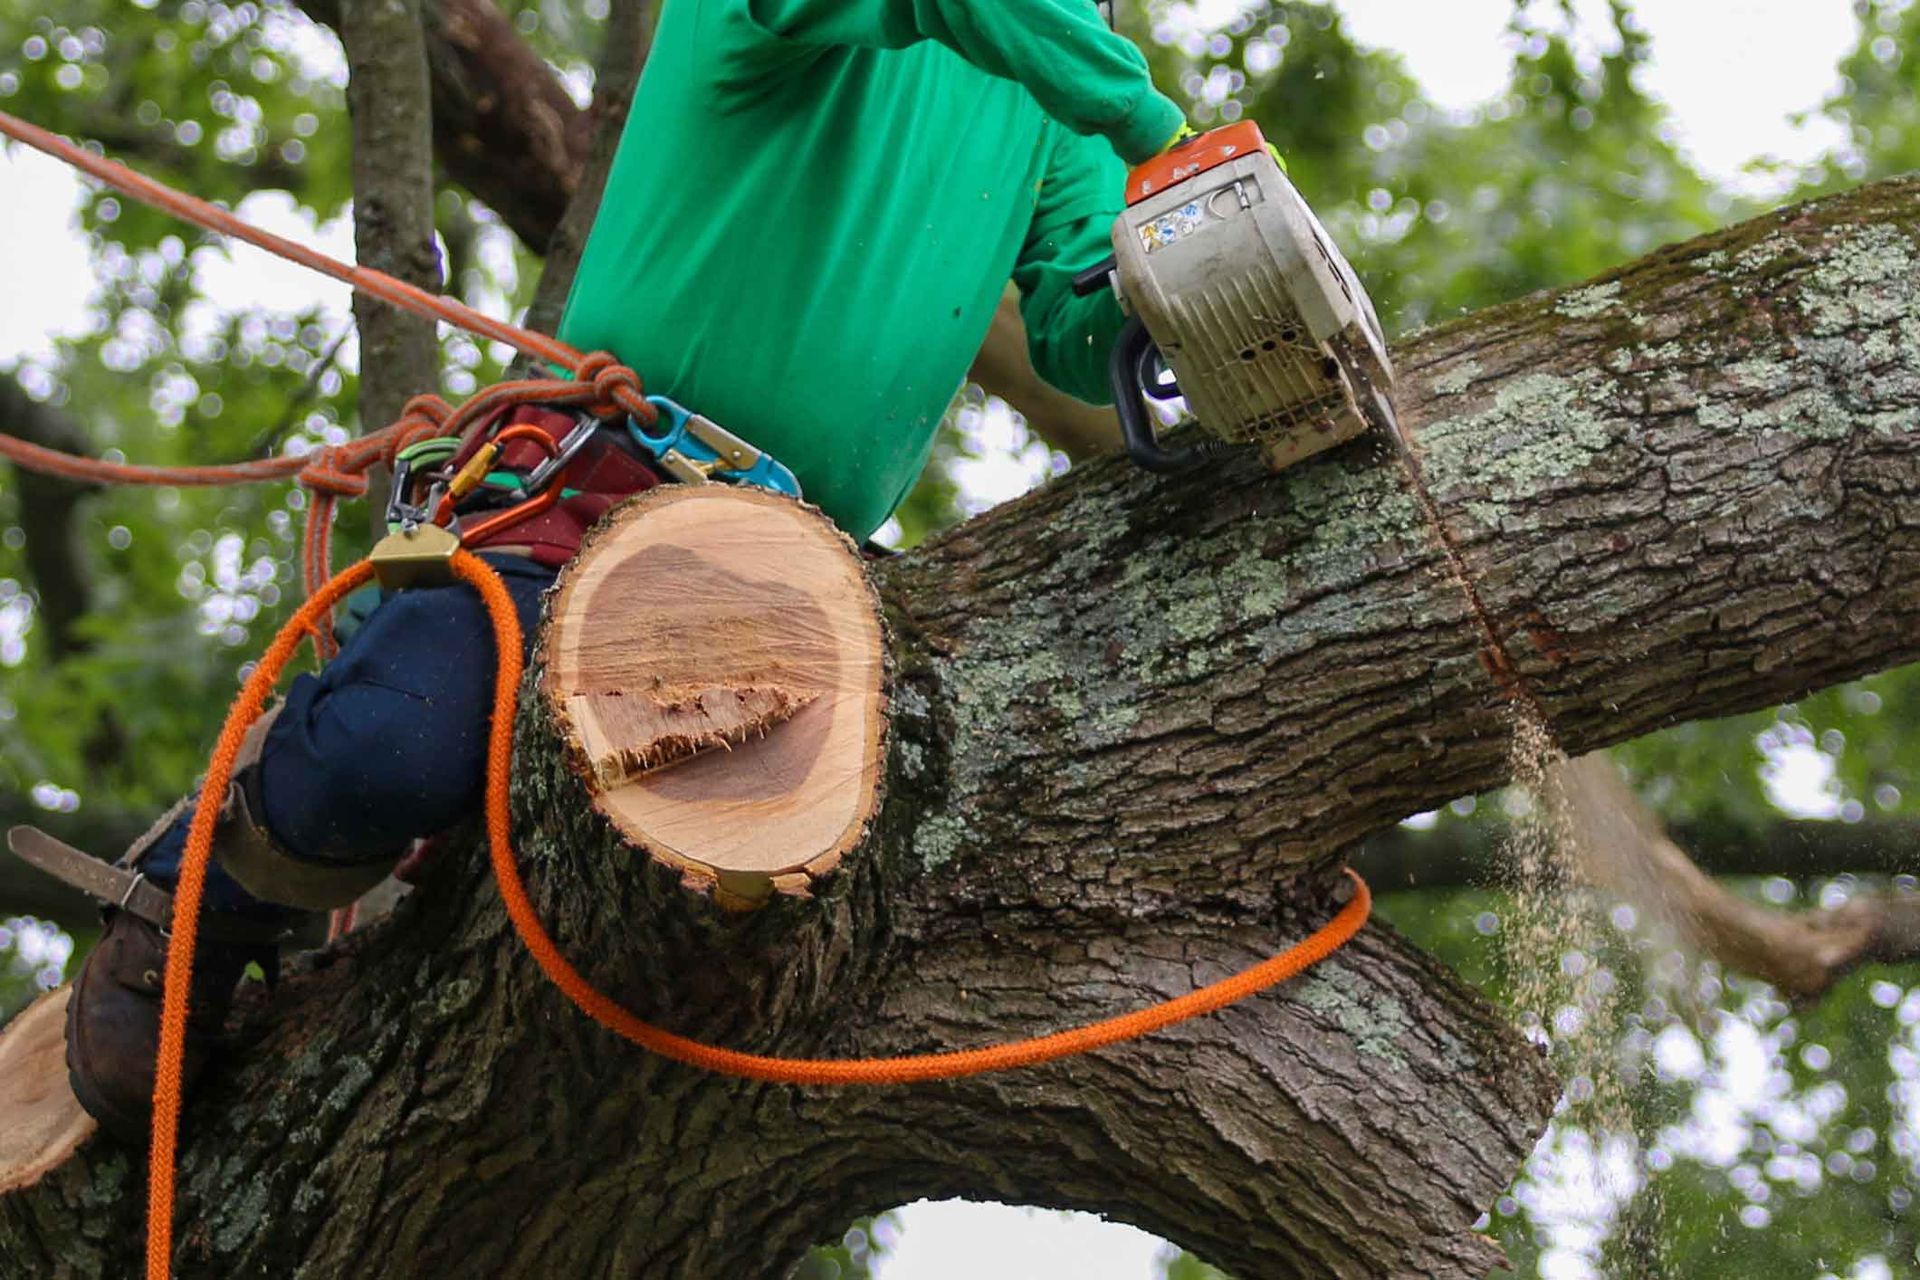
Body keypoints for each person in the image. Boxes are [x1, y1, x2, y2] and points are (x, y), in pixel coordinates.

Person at [37, 0, 1191, 1142]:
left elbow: (1079, 318)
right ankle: (190, 905)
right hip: (597, 493)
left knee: (816, 911)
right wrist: (1157, 129)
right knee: (396, 745)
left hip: (796, 575)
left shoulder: (1057, 104)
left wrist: (1181, 280)